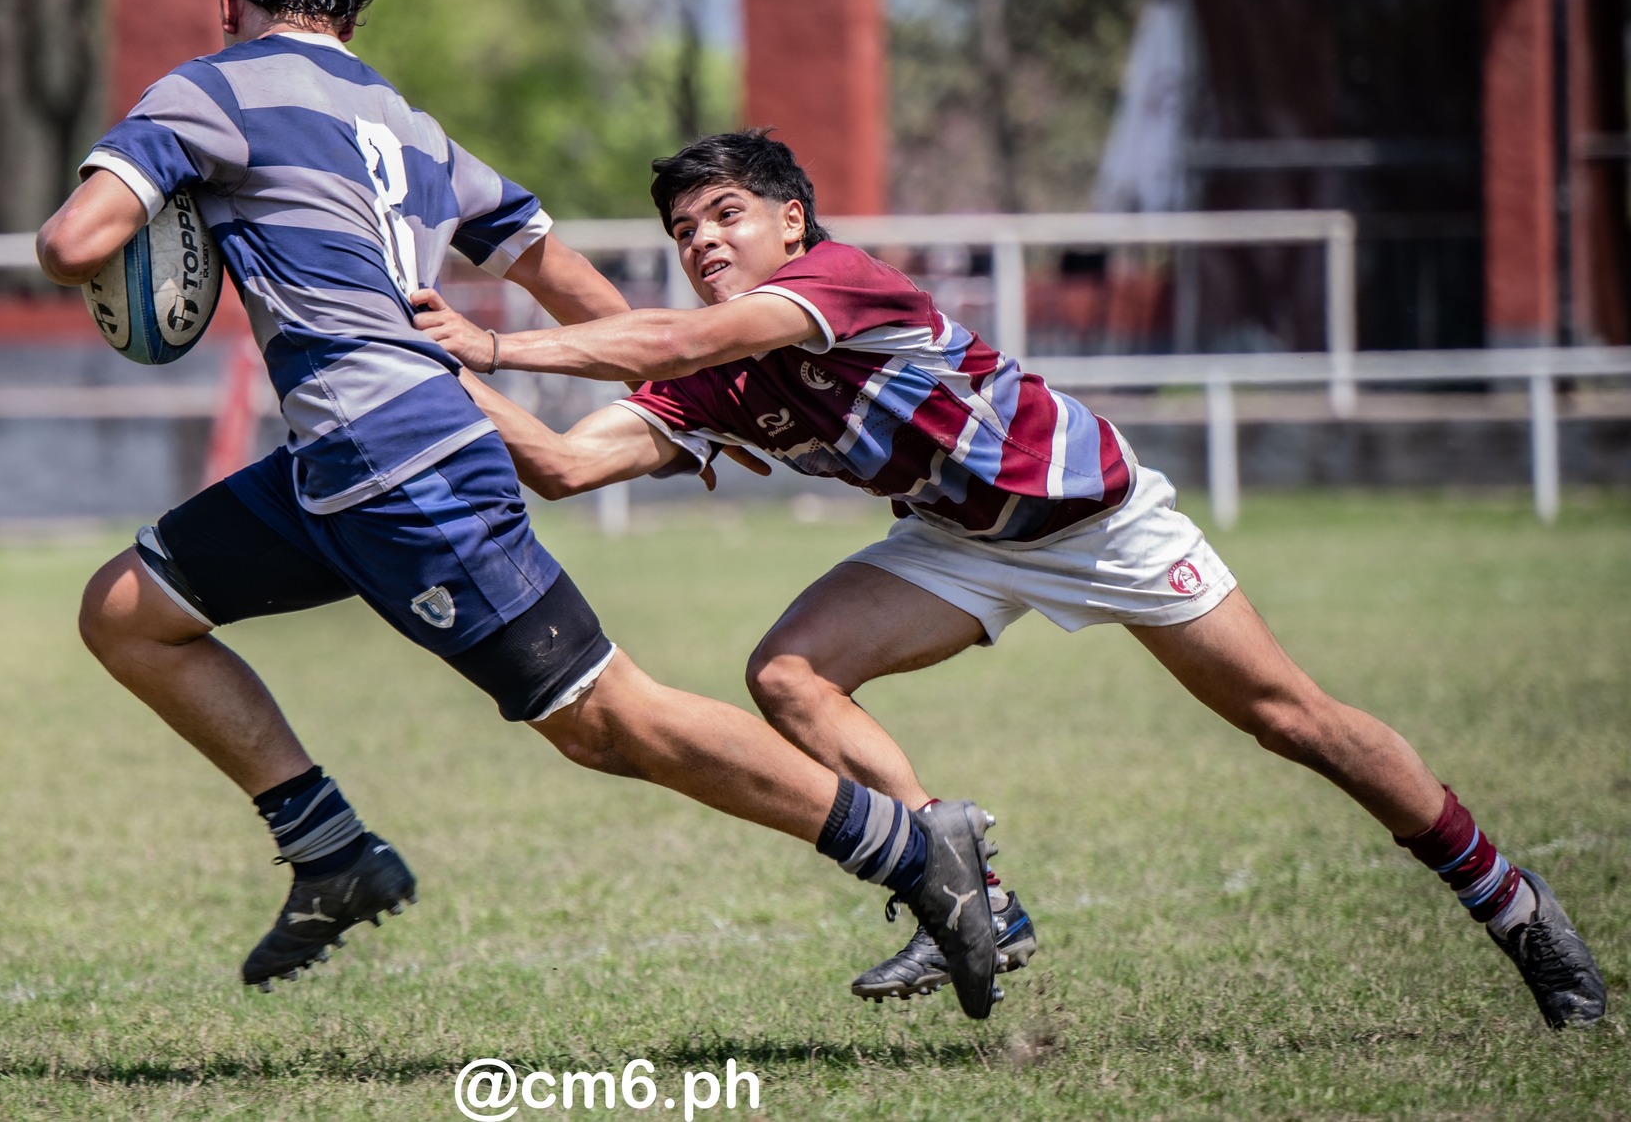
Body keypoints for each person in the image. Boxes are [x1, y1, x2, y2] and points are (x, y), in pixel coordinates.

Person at [33, 0, 1015, 1017]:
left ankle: (906, 847)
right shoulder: (408, 126)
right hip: (337, 467)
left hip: (398, 466)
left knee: (609, 720)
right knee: (127, 608)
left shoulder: (208, 91)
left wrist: (151, 200)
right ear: (352, 6)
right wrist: (687, 383)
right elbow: (547, 266)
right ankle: (329, 848)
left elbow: (74, 242)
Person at [408, 128, 1609, 1030]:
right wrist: (431, 367)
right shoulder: (720, 377)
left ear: (791, 221)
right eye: (682, 233)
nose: (703, 241)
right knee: (787, 674)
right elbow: (566, 463)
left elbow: (670, 339)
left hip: (1096, 519)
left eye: (725, 215)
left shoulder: (837, 285)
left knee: (1290, 718)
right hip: (955, 540)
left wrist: (500, 338)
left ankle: (1512, 905)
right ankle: (972, 894)